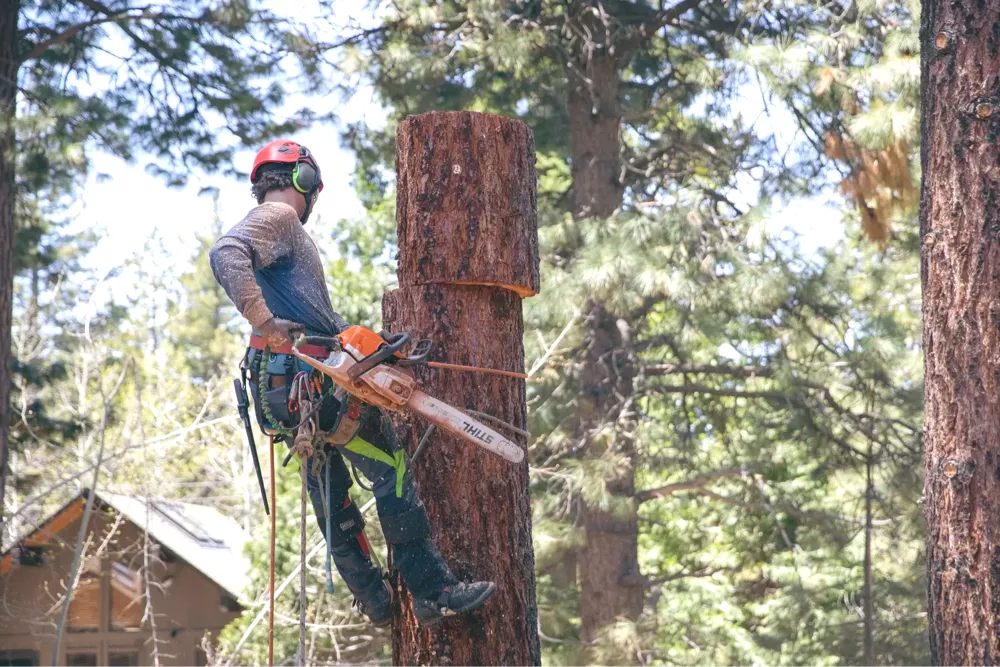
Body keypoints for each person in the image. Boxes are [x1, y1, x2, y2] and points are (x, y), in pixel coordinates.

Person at [209, 138, 495, 627]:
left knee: (329, 488)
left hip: (283, 392)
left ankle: (374, 598)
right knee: (392, 470)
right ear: (304, 181)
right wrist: (265, 319)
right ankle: (432, 591)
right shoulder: (281, 221)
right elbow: (225, 252)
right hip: (312, 384)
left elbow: (313, 316)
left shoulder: (281, 237)